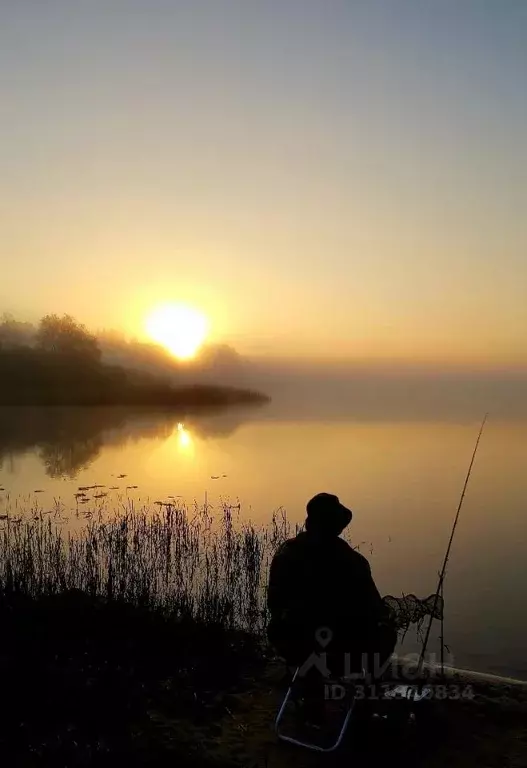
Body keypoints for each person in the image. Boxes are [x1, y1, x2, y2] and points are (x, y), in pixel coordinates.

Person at [267, 493, 397, 683]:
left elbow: (274, 603)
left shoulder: (286, 552)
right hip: (338, 651)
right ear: (337, 526)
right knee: (384, 627)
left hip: (290, 643)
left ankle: (302, 671)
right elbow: (373, 608)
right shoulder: (353, 562)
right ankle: (368, 685)